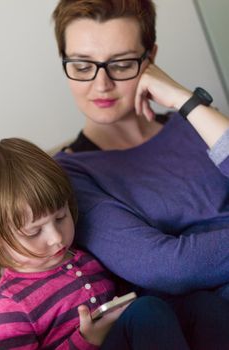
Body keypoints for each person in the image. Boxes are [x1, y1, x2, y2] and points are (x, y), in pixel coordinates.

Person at [51, 0, 229, 348]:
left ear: (150, 58)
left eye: (121, 63)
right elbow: (166, 267)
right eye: (82, 65)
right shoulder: (69, 174)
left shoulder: (195, 122)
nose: (101, 84)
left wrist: (184, 100)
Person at [0, 138, 195, 350]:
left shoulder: (84, 257)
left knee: (198, 305)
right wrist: (86, 340)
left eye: (60, 217)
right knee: (147, 312)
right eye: (34, 231)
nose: (57, 238)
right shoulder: (7, 304)